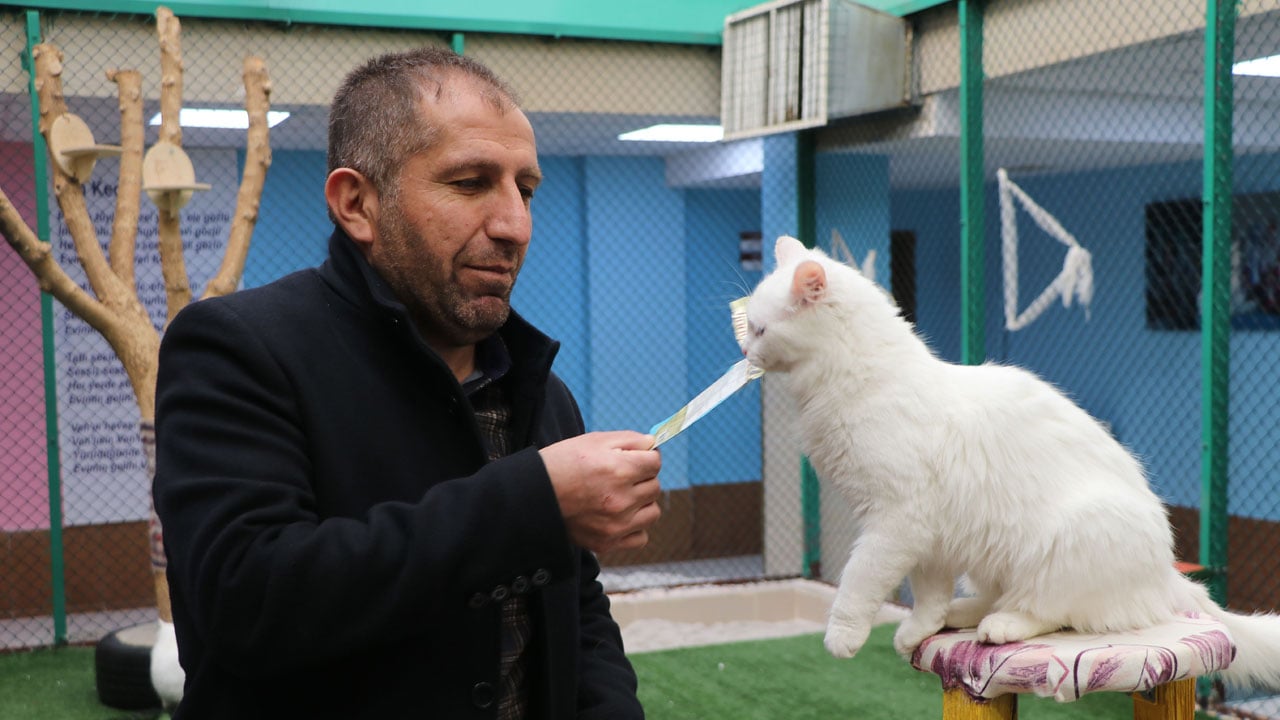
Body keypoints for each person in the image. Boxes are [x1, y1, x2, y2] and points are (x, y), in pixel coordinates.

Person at [152, 46, 663, 719]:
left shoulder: (537, 389)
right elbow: (246, 604)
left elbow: (576, 607)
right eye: (470, 182)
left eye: (526, 188)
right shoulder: (240, 350)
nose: (514, 224)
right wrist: (533, 502)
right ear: (357, 203)